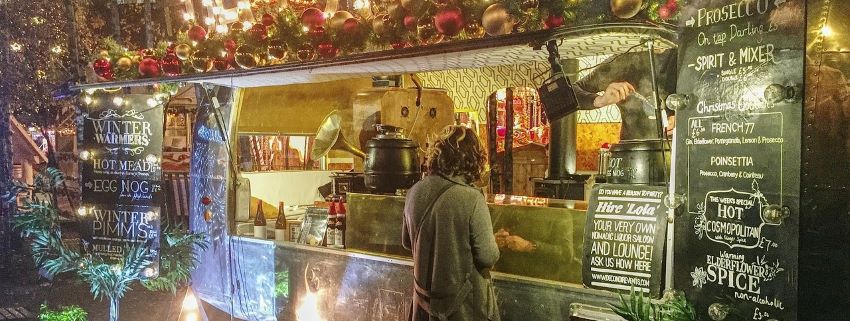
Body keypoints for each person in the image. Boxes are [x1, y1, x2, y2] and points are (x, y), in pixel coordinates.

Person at [402, 125, 500, 321]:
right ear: (473, 159)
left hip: (423, 308)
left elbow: (406, 242)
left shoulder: (414, 191)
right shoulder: (472, 198)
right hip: (462, 310)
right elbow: (487, 257)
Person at [572, 49, 678, 140]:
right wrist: (600, 100)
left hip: (679, 152)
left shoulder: (683, 56)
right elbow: (571, 92)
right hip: (631, 152)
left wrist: (682, 119)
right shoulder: (623, 59)